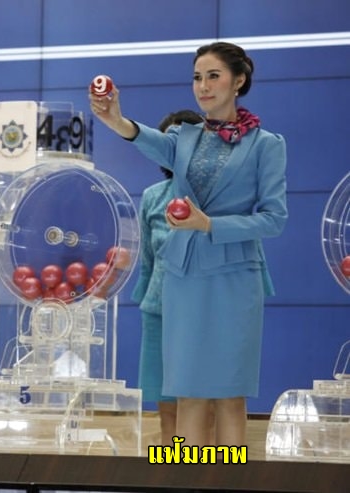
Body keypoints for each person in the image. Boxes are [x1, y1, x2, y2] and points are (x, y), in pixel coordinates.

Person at [91, 42, 288, 446]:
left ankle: (229, 476)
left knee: (230, 395)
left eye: (214, 76)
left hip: (235, 279)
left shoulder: (267, 145)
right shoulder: (182, 137)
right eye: (197, 77)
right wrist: (115, 119)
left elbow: (274, 219)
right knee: (188, 394)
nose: (203, 86)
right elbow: (144, 138)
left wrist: (209, 224)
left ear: (239, 81)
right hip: (183, 278)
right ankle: (189, 475)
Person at [130, 109, 210, 445]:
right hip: (159, 313)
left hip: (205, 313)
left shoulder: (218, 195)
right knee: (167, 411)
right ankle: (170, 469)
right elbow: (148, 261)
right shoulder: (152, 197)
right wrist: (144, 300)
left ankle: (207, 470)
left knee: (204, 410)